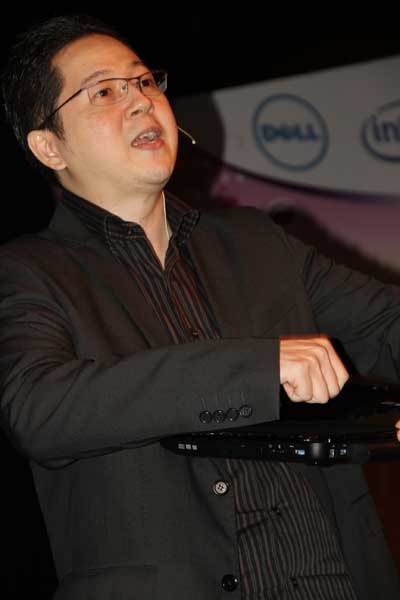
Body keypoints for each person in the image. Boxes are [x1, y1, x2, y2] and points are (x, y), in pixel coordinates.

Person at [1, 14, 400, 600]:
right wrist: (258, 368)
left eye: (145, 82)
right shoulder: (27, 269)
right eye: (105, 92)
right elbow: (38, 407)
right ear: (49, 146)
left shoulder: (257, 242)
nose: (141, 101)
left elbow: (386, 324)